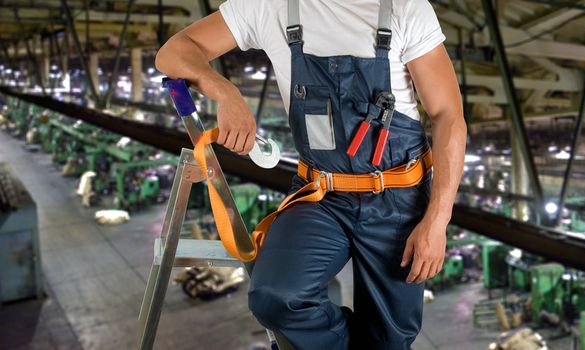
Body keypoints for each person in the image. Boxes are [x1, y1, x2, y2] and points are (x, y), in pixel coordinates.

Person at [154, 0, 466, 348]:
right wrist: (225, 92)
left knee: (389, 340)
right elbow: (174, 52)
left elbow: (448, 116)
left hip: (397, 201)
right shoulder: (269, 6)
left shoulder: (404, 8)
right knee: (277, 295)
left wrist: (437, 221)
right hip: (320, 195)